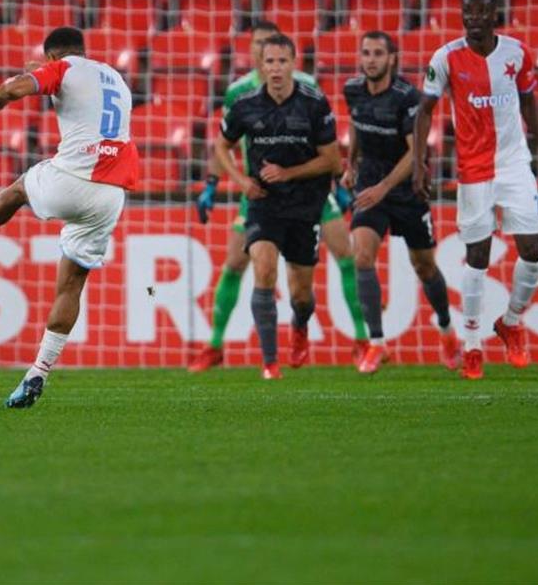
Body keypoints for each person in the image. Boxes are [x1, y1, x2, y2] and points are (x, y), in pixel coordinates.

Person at [0, 27, 138, 408]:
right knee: (71, 287)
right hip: (111, 194)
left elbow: (28, 84)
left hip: (74, 179)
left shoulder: (62, 69)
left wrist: (3, 94)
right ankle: (37, 373)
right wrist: (41, 71)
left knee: (19, 188)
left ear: (53, 56)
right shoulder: (114, 77)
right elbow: (59, 80)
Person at [190, 21, 367, 372]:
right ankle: (218, 346)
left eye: (276, 56)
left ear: (290, 60)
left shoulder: (310, 92)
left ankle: (361, 340)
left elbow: (328, 151)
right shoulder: (239, 94)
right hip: (259, 192)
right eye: (259, 49)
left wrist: (339, 186)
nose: (265, 57)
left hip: (309, 193)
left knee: (342, 257)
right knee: (242, 264)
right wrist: (214, 182)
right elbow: (223, 143)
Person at [411, 0, 538, 380]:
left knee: (532, 249)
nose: (473, 19)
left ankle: (510, 321)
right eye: (468, 12)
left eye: (481, 12)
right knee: (477, 256)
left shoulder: (517, 53)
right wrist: (419, 163)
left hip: (514, 164)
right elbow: (424, 112)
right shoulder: (445, 57)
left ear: (494, 16)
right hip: (474, 169)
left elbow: (530, 103)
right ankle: (473, 345)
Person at [214, 34, 342, 379]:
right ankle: (270, 362)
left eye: (282, 61)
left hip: (305, 204)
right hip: (264, 204)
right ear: (260, 65)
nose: (275, 68)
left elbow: (332, 160)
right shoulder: (245, 105)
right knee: (264, 270)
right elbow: (221, 145)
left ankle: (300, 326)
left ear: (293, 64)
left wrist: (288, 173)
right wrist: (241, 182)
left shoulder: (314, 104)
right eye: (269, 61)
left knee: (301, 293)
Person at [342, 31, 459, 374]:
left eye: (378, 53)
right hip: (369, 186)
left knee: (424, 265)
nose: (371, 59)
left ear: (392, 58)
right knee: (362, 255)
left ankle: (447, 330)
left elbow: (415, 153)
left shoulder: (407, 97)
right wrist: (351, 163)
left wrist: (383, 188)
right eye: (366, 53)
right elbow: (355, 126)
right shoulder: (353, 90)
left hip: (406, 189)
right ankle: (377, 344)